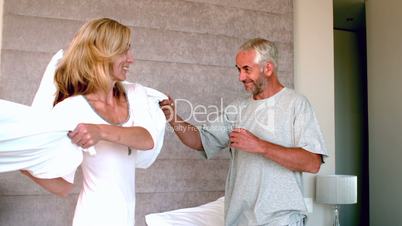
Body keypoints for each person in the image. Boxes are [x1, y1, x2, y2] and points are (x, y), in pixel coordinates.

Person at [159, 38, 327, 226]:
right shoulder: (237, 108)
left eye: (247, 69)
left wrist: (261, 146)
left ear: (268, 68)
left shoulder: (296, 104)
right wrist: (172, 117)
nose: (241, 77)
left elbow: (313, 162)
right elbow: (201, 140)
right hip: (240, 221)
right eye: (239, 70)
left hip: (282, 220)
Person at [19, 18, 166, 226]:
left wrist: (100, 131)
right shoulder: (71, 110)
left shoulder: (135, 95)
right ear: (102, 54)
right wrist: (22, 164)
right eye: (124, 51)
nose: (131, 59)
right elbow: (63, 187)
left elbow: (147, 139)